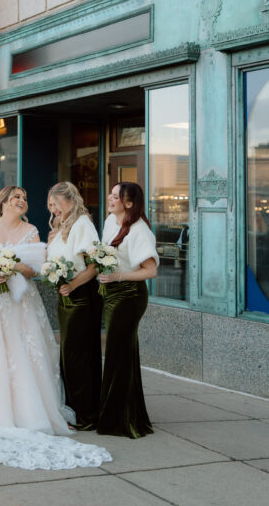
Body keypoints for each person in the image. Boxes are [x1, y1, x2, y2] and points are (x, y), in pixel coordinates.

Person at [0, 186, 111, 470]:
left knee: (25, 350)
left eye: (25, 198)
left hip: (21, 302)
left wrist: (13, 268)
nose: (22, 201)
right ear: (3, 202)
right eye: (17, 197)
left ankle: (32, 412)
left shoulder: (32, 229)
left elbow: (35, 269)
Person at [97, 181, 159, 438]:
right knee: (121, 354)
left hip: (129, 296)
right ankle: (127, 413)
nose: (110, 199)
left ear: (129, 203)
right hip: (111, 294)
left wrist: (118, 276)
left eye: (115, 196)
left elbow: (151, 270)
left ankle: (119, 420)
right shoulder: (110, 221)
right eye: (110, 194)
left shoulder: (139, 230)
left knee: (117, 354)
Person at [47, 181, 102, 430]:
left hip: (81, 297)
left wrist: (73, 285)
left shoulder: (83, 224)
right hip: (66, 297)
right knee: (69, 356)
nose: (53, 210)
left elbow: (94, 265)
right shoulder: (62, 226)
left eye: (55, 204)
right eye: (50, 206)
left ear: (69, 200)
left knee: (79, 356)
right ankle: (74, 410)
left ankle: (87, 415)